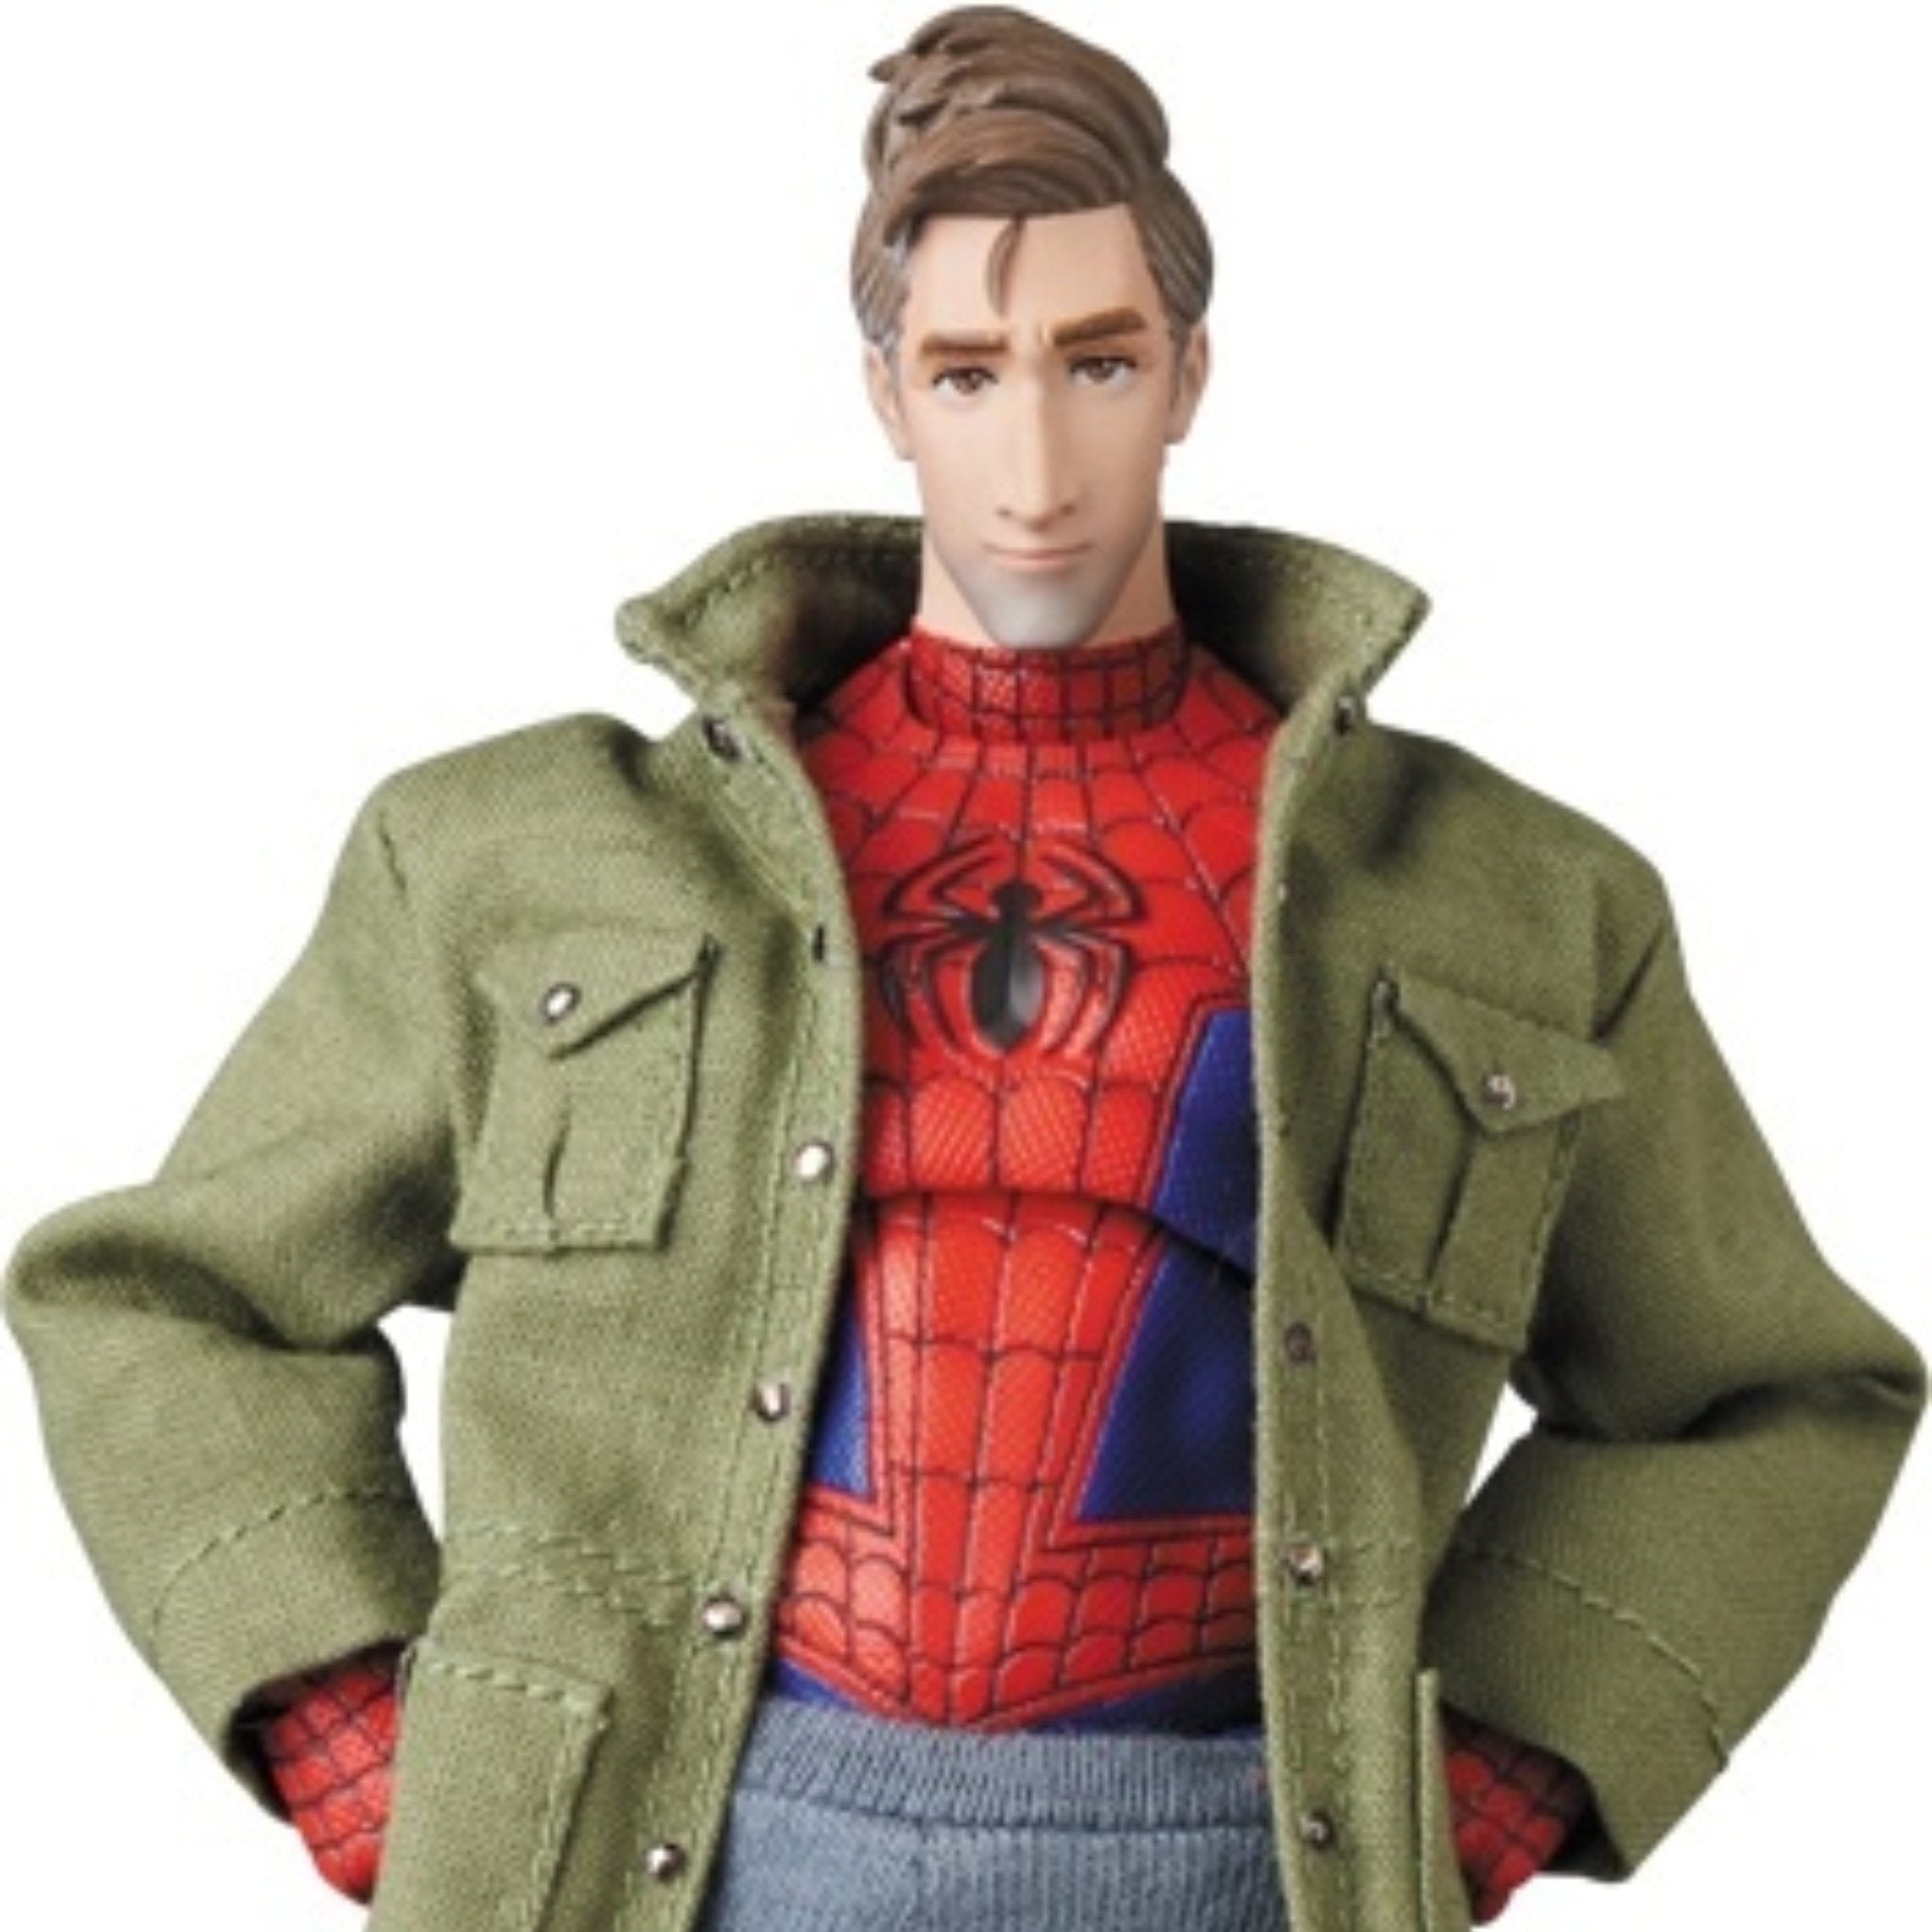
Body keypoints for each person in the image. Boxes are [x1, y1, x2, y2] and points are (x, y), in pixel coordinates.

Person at [6, 9, 1921, 1930]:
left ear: (1188, 370)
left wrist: (1504, 1758)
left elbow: (1766, 1392)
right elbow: (159, 1298)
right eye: (965, 370)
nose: (1033, 462)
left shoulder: (1512, 901)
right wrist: (349, 1723)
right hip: (674, 1841)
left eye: (1099, 361)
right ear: (884, 391)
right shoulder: (515, 860)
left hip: (1248, 1846)